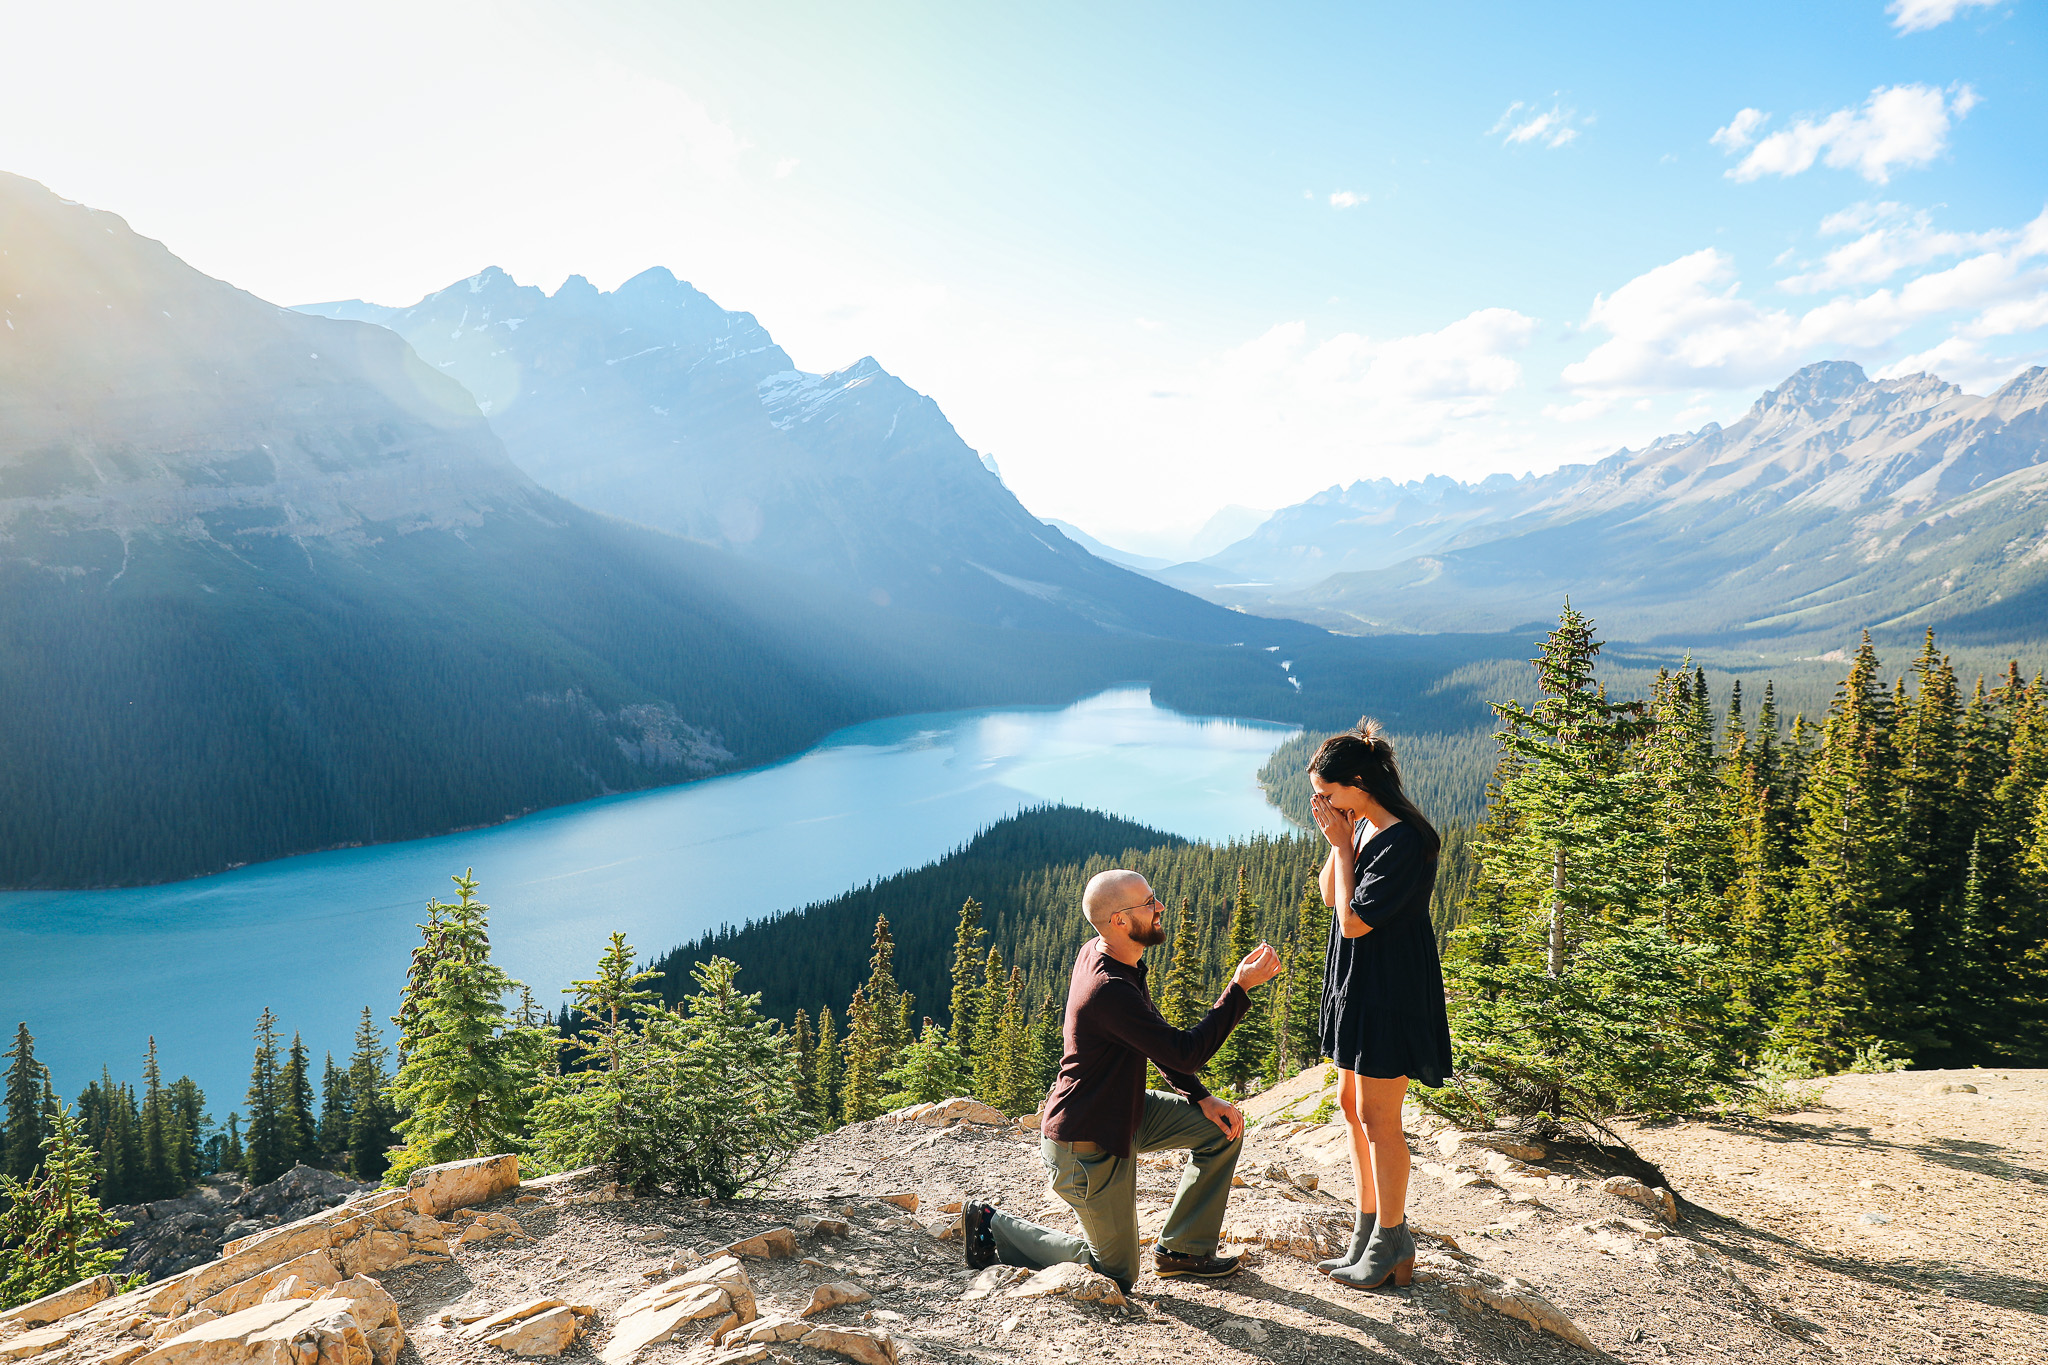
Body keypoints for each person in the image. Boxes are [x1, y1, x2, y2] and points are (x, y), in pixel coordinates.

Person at [962, 868, 1282, 1291]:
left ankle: (1183, 1249)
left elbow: (1157, 1041)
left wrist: (1200, 1097)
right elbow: (1186, 1051)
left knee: (1220, 1130)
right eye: (1150, 903)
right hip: (1087, 1143)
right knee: (1117, 1274)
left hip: (1124, 1111)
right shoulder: (1108, 987)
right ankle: (992, 1225)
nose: (1160, 907)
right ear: (1118, 920)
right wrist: (1239, 988)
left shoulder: (1110, 955)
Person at [1305, 718, 1452, 1291]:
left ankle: (1394, 1236)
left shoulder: (1404, 839)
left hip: (1391, 986)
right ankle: (1368, 1227)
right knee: (1349, 1103)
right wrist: (1338, 843)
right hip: (1357, 981)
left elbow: (1354, 920)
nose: (1321, 802)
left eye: (1327, 792)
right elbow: (1327, 895)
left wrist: (1344, 844)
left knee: (1379, 1117)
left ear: (1360, 782)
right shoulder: (1362, 826)